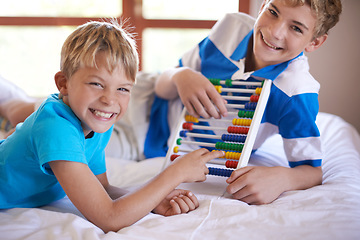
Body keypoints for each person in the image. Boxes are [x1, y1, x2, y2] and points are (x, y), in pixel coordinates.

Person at [0, 20, 225, 232]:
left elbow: (104, 190)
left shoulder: (96, 124)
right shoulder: (56, 128)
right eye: (97, 84)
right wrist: (174, 174)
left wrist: (154, 199)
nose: (109, 100)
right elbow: (109, 218)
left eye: (123, 89)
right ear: (64, 83)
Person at [149, 0, 342, 205]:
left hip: (171, 150)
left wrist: (282, 178)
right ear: (262, 7)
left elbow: (312, 171)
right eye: (273, 12)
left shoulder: (296, 91)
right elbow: (160, 86)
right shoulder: (230, 28)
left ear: (315, 42)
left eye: (295, 28)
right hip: (145, 109)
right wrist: (181, 75)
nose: (274, 32)